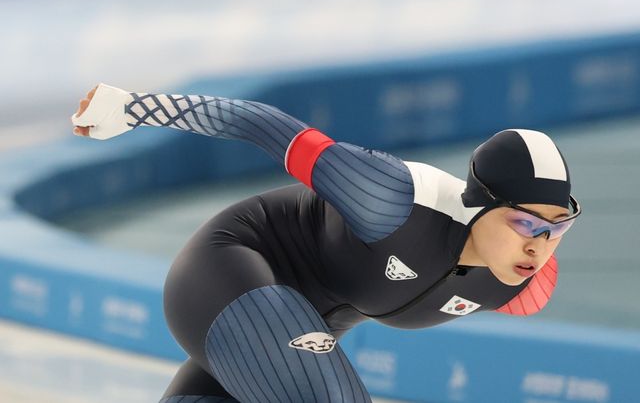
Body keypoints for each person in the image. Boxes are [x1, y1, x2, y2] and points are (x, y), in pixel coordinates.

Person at [70, 83, 581, 403]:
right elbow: (263, 125)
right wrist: (133, 108)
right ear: (479, 204)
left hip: (295, 323)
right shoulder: (393, 199)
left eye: (558, 227)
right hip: (228, 271)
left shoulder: (524, 287)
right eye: (525, 223)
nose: (539, 246)